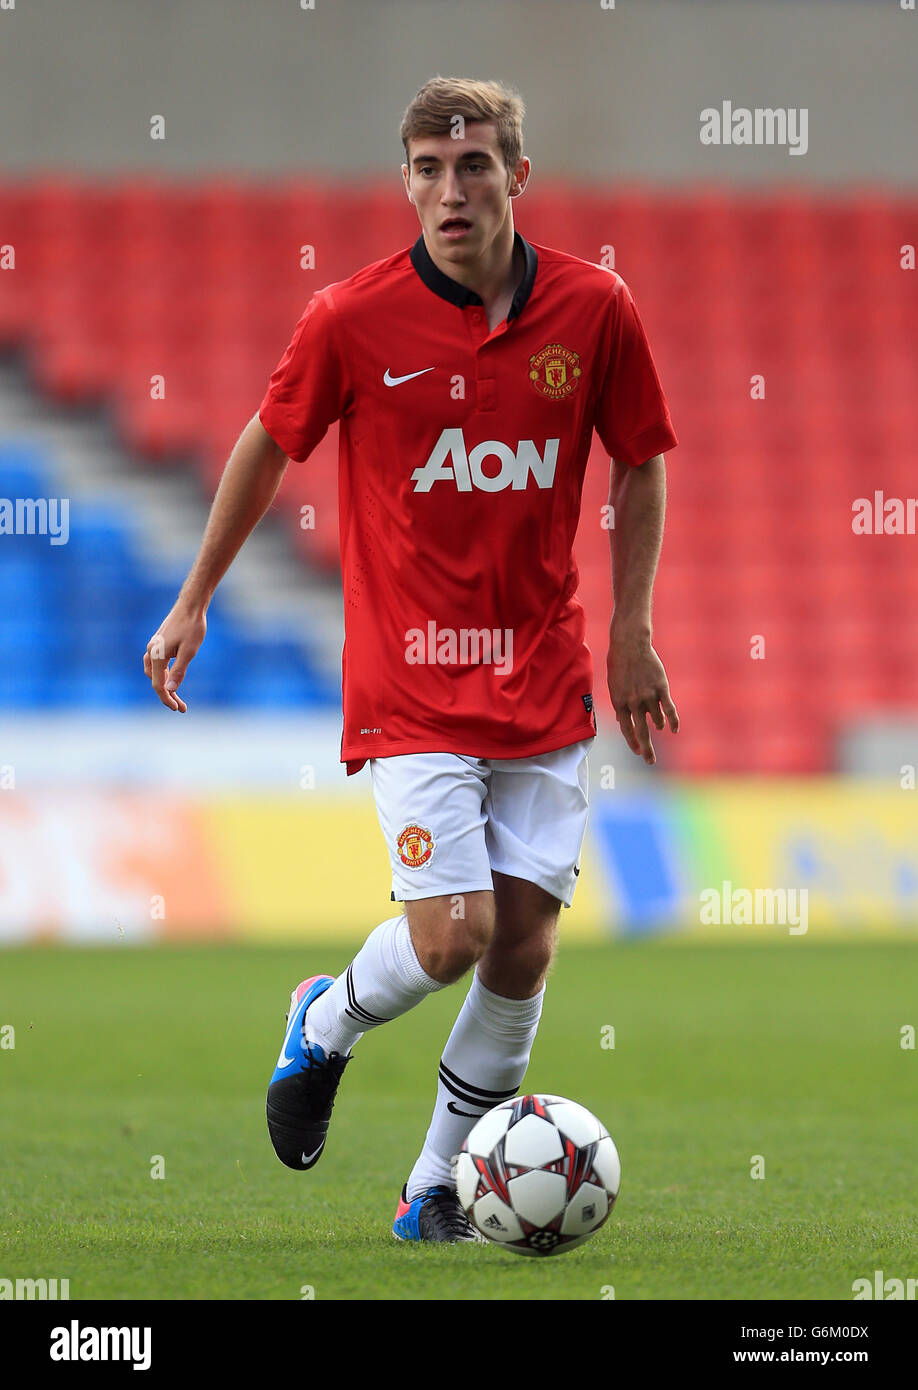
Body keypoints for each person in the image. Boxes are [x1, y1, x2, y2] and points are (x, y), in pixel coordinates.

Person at [143, 75, 679, 1245]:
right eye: (429, 169)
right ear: (406, 182)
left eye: (475, 164)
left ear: (516, 178)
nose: (451, 189)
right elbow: (267, 442)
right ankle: (326, 1020)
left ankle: (435, 1185)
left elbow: (641, 460)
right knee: (454, 935)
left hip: (544, 677)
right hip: (414, 679)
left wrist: (629, 629)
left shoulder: (597, 311)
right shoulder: (351, 319)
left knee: (525, 948)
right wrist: (193, 600)